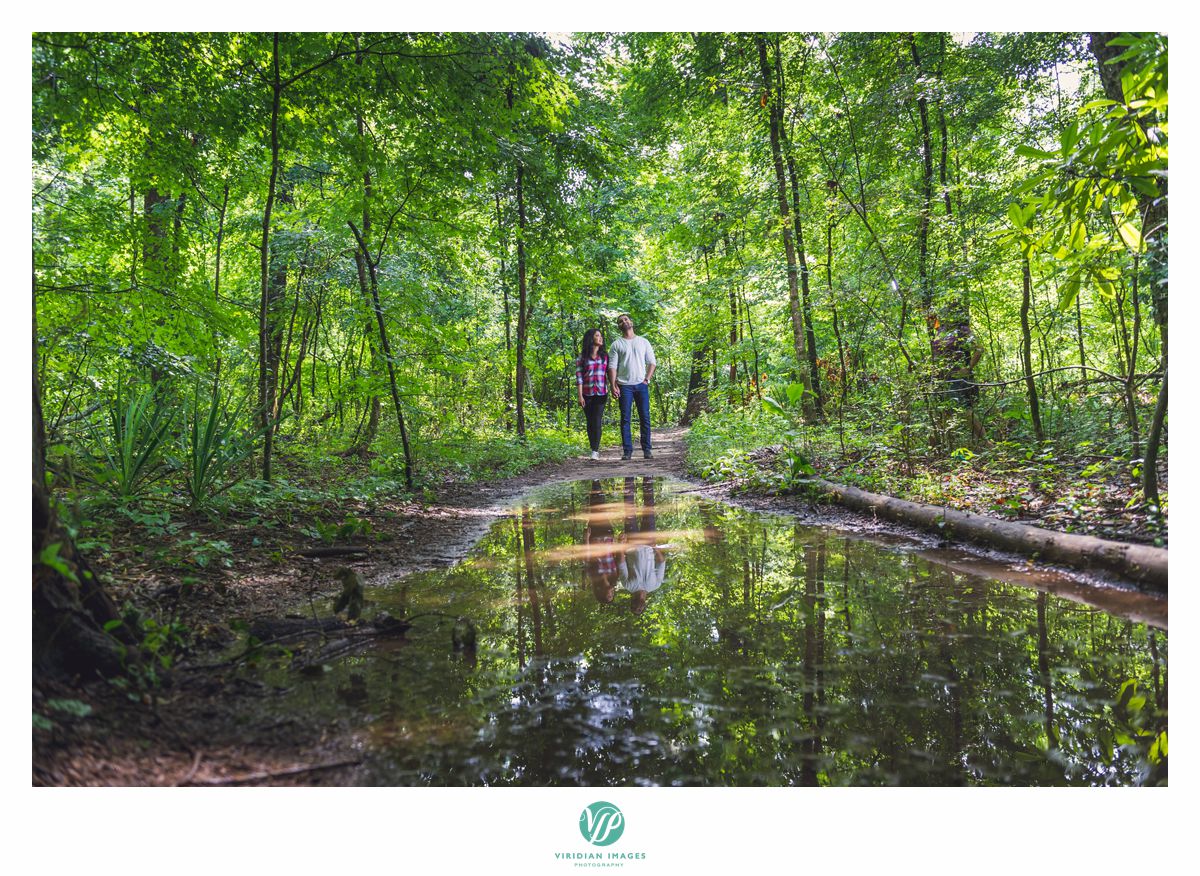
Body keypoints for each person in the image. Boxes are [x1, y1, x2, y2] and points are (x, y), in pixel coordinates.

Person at [608, 314, 656, 460]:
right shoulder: (617, 344)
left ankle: (647, 449)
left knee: (645, 417)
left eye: (626, 319)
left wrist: (646, 379)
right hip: (624, 386)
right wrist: (613, 385)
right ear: (619, 326)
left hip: (641, 385)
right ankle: (627, 451)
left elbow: (652, 362)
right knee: (625, 419)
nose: (624, 322)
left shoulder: (643, 341)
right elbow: (612, 367)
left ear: (631, 322)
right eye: (621, 321)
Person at [575, 328, 610, 461]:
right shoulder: (581, 358)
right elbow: (579, 378)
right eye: (597, 336)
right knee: (590, 422)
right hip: (587, 394)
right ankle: (592, 447)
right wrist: (580, 396)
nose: (600, 338)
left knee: (596, 420)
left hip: (601, 393)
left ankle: (595, 450)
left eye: (601, 336)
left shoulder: (605, 356)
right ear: (591, 339)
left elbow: (610, 373)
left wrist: (614, 386)